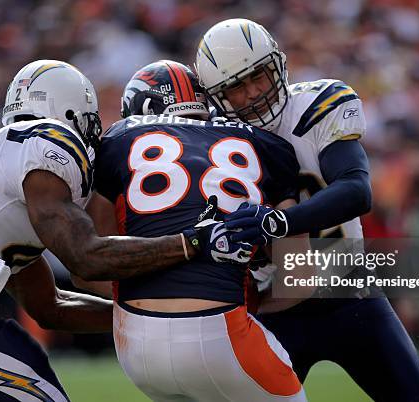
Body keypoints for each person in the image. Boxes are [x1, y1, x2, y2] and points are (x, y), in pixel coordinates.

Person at [0, 59, 250, 401]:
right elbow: (86, 258)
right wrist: (191, 242)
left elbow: (50, 307)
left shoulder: (4, 175)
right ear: (73, 113)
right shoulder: (52, 140)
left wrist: (149, 315)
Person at [196, 19, 419, 402]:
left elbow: (357, 190)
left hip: (350, 295)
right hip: (273, 308)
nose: (254, 92)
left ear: (277, 65)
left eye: (258, 75)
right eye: (236, 87)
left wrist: (277, 222)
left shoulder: (316, 106)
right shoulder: (214, 141)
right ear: (217, 96)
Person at [85, 60, 307, 402]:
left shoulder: (117, 138)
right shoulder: (265, 144)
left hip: (135, 342)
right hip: (223, 333)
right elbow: (299, 277)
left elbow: (91, 268)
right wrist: (256, 297)